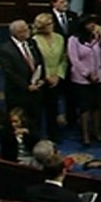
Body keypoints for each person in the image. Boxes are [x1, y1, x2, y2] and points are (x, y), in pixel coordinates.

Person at [67, 14, 101, 146]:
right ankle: (85, 135)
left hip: (99, 78)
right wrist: (87, 74)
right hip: (82, 80)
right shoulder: (74, 40)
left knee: (97, 107)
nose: (92, 26)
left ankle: (97, 132)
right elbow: (74, 60)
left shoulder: (98, 37)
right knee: (85, 108)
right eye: (89, 23)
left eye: (93, 23)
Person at [0, 19, 46, 134]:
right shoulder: (6, 50)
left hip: (35, 90)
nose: (28, 31)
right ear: (16, 33)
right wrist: (26, 86)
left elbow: (39, 61)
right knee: (20, 121)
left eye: (27, 28)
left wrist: (41, 79)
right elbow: (9, 73)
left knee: (35, 118)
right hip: (18, 93)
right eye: (24, 30)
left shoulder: (32, 43)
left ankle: (35, 138)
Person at [32, 13, 67, 142]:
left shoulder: (59, 38)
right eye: (48, 24)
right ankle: (37, 135)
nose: (51, 26)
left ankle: (54, 134)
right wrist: (47, 76)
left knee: (53, 107)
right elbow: (37, 61)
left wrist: (58, 75)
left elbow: (64, 58)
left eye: (51, 23)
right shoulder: (35, 40)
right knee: (39, 108)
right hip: (42, 79)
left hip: (57, 77)